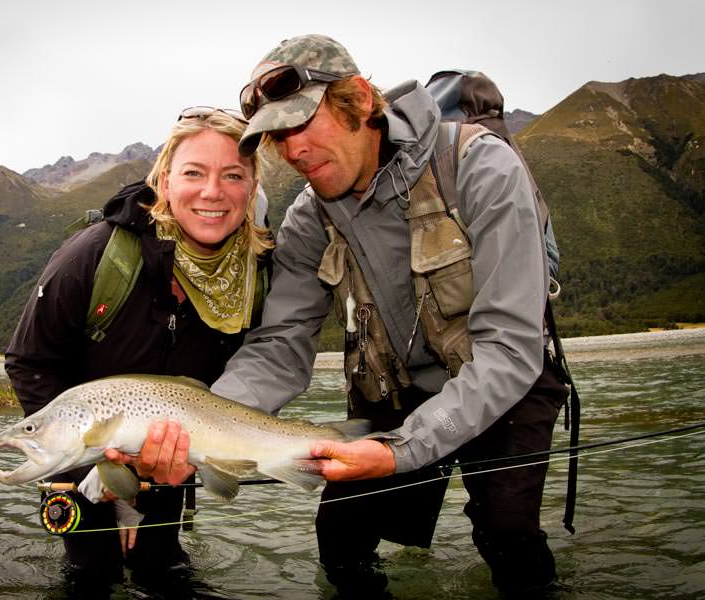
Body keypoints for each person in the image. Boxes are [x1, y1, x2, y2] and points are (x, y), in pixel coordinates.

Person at [122, 35, 569, 596]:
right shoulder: (309, 217)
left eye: (302, 124)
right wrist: (196, 425)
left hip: (508, 379)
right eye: (278, 137)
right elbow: (280, 343)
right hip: (396, 388)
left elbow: (509, 348)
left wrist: (398, 451)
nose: (292, 150)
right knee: (340, 537)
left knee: (505, 530)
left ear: (358, 101)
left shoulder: (481, 166)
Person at [4, 106, 272, 587]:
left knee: (163, 569)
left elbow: (250, 372)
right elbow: (30, 360)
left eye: (233, 176)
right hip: (81, 453)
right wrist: (98, 465)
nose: (212, 192)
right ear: (164, 181)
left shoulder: (259, 273)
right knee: (91, 572)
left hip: (178, 454)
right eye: (194, 173)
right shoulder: (93, 254)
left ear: (251, 190)